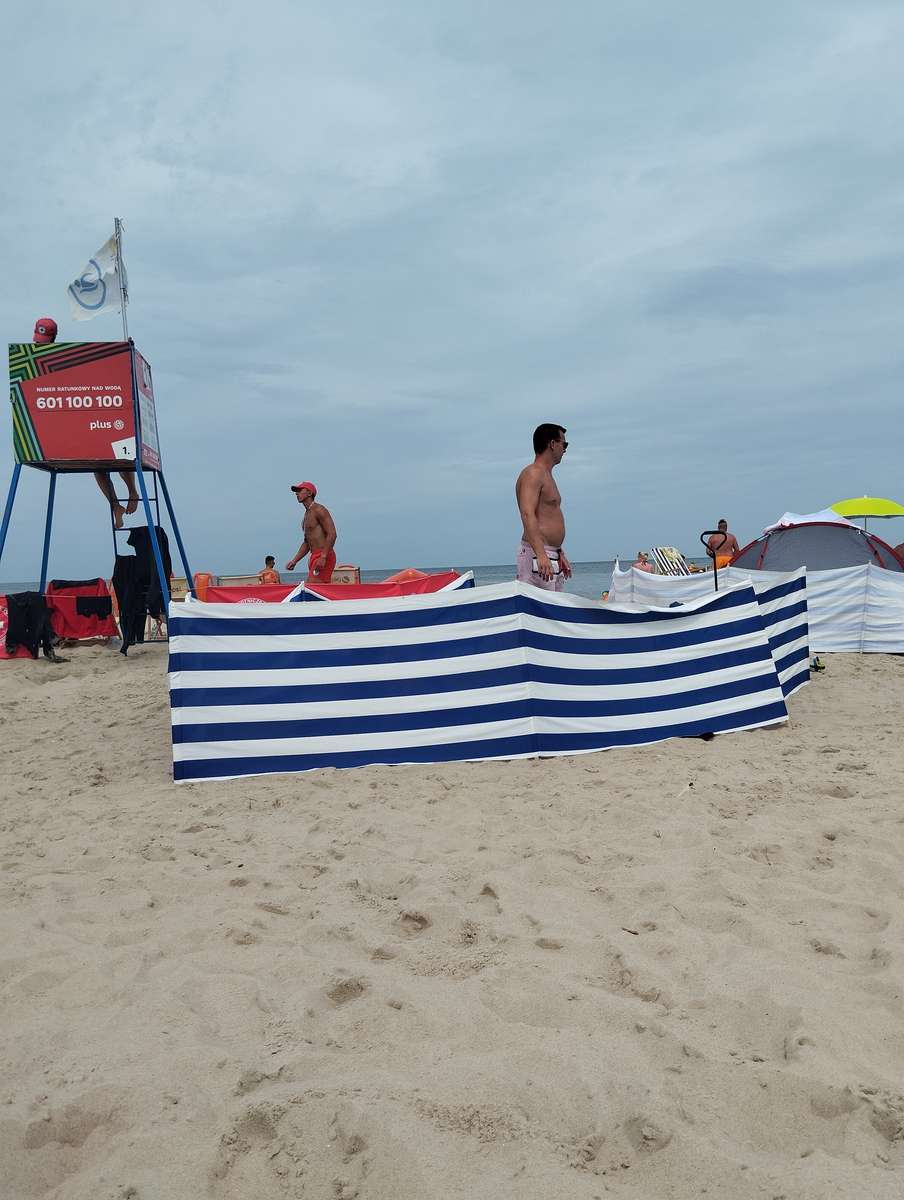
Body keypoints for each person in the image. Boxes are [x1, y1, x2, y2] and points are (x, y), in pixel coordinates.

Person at [32, 317, 139, 529]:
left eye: (43, 340)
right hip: (65, 420)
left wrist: (125, 351)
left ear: (53, 338)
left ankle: (132, 491)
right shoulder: (31, 358)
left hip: (89, 413)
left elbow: (94, 366)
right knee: (97, 467)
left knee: (119, 453)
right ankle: (115, 505)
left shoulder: (63, 357)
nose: (39, 344)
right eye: (37, 340)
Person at [515, 423, 572, 591]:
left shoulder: (547, 475)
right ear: (552, 444)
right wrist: (541, 554)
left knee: (554, 612)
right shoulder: (533, 473)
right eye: (564, 444)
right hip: (537, 554)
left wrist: (558, 551)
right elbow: (527, 514)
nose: (565, 449)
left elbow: (547, 516)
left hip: (550, 554)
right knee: (538, 613)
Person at [285, 482, 337, 582]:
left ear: (309, 493)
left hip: (324, 554)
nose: (296, 493)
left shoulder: (319, 509)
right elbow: (307, 542)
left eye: (300, 490)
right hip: (314, 556)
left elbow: (332, 534)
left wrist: (323, 556)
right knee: (319, 591)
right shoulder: (306, 516)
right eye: (296, 491)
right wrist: (295, 560)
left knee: (312, 588)